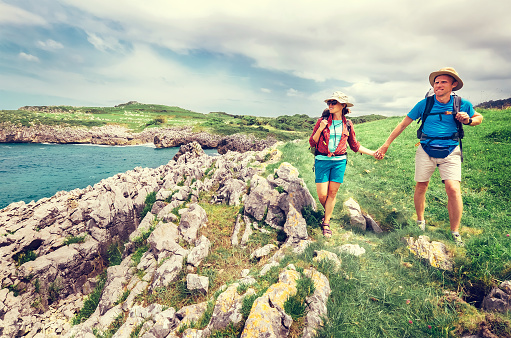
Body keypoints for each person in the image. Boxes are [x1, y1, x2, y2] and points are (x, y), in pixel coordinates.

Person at [375, 67, 483, 246]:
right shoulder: (424, 104)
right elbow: (403, 124)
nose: (438, 85)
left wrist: (468, 120)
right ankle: (420, 222)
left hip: (451, 149)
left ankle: (455, 232)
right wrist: (385, 145)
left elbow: (479, 118)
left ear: (453, 84)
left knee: (453, 189)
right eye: (436, 82)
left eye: (443, 82)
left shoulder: (462, 104)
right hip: (425, 148)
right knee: (421, 186)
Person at [309, 91, 378, 237]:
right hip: (322, 160)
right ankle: (329, 211)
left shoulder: (347, 124)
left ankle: (326, 222)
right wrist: (321, 128)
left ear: (343, 105)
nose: (330, 105)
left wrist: (373, 153)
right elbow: (312, 141)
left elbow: (354, 145)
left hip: (339, 162)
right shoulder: (322, 121)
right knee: (322, 195)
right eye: (329, 103)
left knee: (333, 193)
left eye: (334, 102)